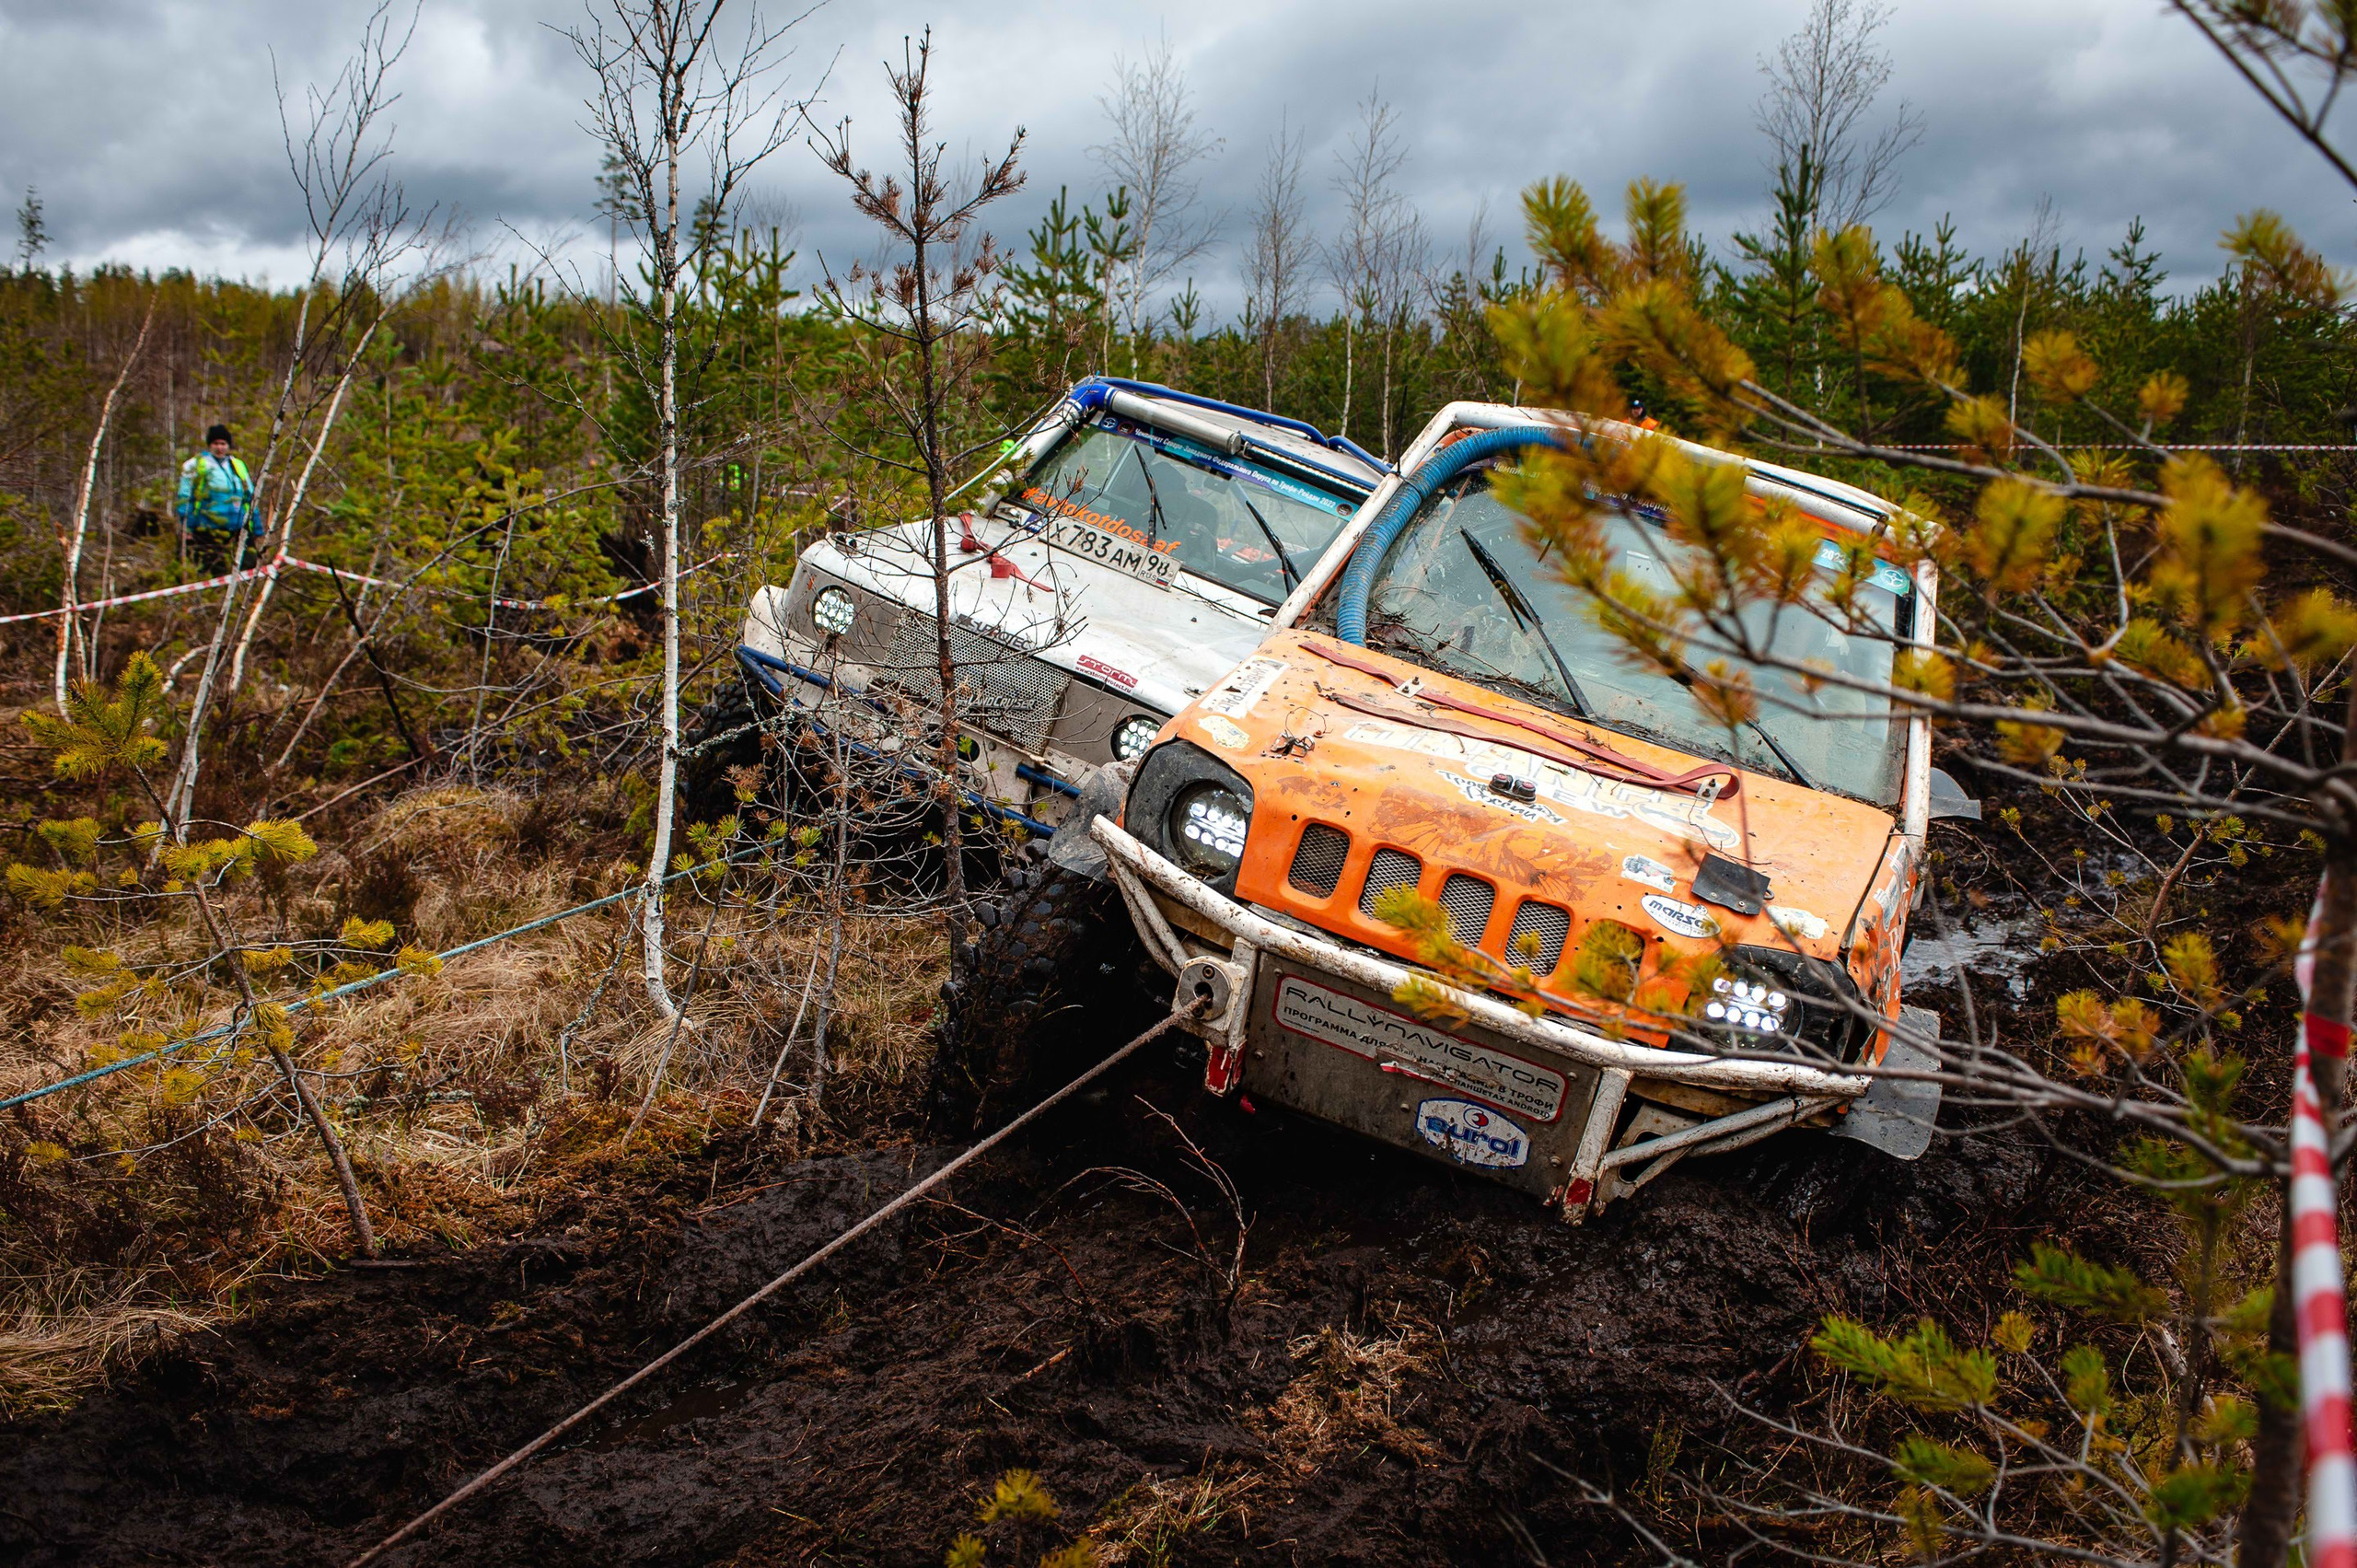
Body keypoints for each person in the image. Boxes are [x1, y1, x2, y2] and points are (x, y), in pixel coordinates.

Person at [176, 424, 259, 574]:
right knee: (213, 570)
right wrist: (187, 526)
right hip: (208, 527)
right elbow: (185, 498)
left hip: (238, 525)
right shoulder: (196, 465)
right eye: (216, 443)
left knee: (249, 565)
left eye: (223, 443)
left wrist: (257, 527)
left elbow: (251, 497)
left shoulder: (237, 465)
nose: (220, 447)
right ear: (209, 445)